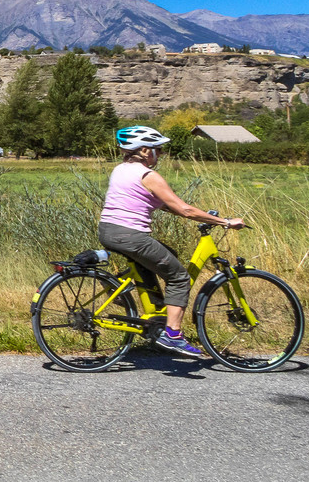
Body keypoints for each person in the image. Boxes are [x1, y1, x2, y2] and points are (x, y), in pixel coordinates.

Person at [99, 125, 243, 358]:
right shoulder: (148, 175)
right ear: (145, 150)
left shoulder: (121, 170)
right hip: (130, 235)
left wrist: (205, 216)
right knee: (178, 277)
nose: (162, 154)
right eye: (158, 149)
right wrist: (225, 222)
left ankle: (150, 308)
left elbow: (164, 205)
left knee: (168, 254)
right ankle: (173, 335)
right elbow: (184, 209)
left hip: (109, 231)